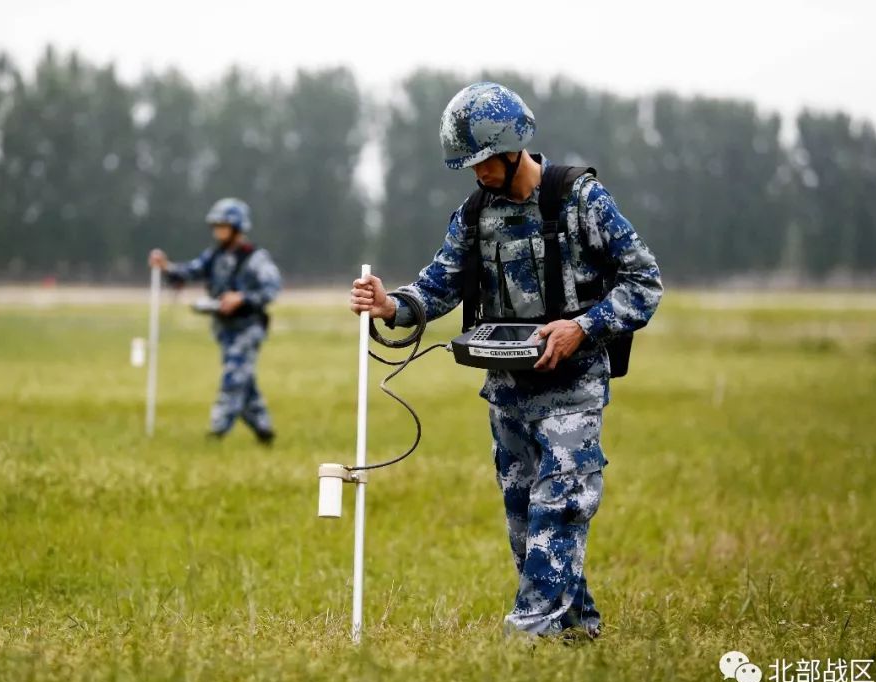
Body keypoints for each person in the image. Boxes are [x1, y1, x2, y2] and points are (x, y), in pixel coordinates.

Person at [349, 82, 662, 639]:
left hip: (573, 390)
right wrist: (390, 305)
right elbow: (437, 285)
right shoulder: (474, 213)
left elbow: (644, 282)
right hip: (508, 394)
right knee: (525, 522)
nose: (477, 174)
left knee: (560, 507)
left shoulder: (581, 200)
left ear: (513, 146)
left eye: (483, 161)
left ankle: (526, 638)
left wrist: (582, 326)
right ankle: (577, 627)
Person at [150, 197, 281, 444]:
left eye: (224, 226)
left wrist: (241, 298)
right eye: (216, 226)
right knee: (244, 380)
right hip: (224, 329)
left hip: (248, 328)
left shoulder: (255, 258)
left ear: (237, 228)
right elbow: (190, 271)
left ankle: (216, 431)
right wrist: (166, 267)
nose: (219, 231)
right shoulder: (214, 256)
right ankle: (264, 429)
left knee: (233, 378)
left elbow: (272, 289)